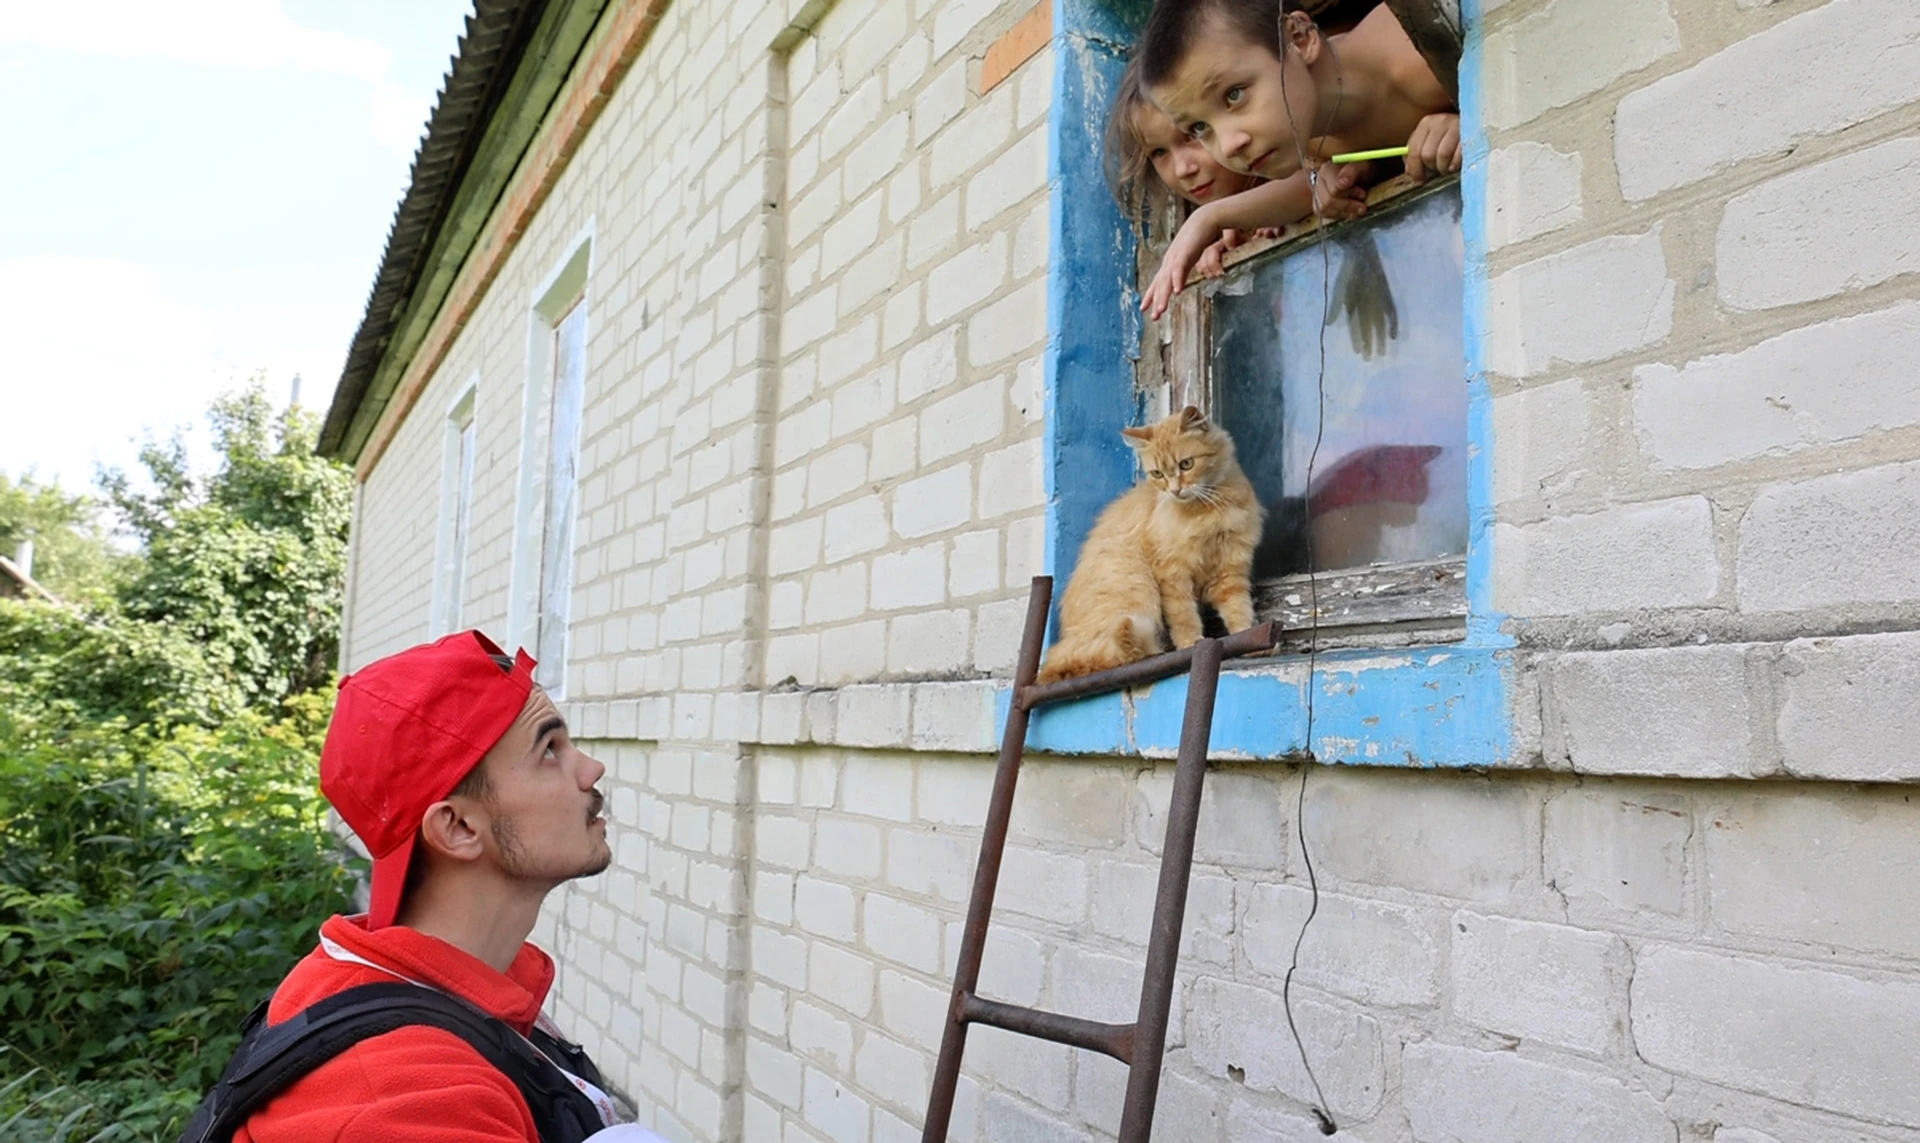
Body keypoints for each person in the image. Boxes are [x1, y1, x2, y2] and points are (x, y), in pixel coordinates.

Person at [181, 630, 658, 1143]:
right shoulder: (399, 1103)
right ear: (458, 828)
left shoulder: (445, 986)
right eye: (549, 749)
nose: (591, 768)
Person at [1134, 0, 1460, 316]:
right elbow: (1303, 189)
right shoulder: (1312, 139)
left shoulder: (1418, 57)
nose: (1228, 146)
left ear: (1299, 40)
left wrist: (1470, 115)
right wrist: (1209, 218)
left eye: (1234, 94)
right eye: (1200, 127)